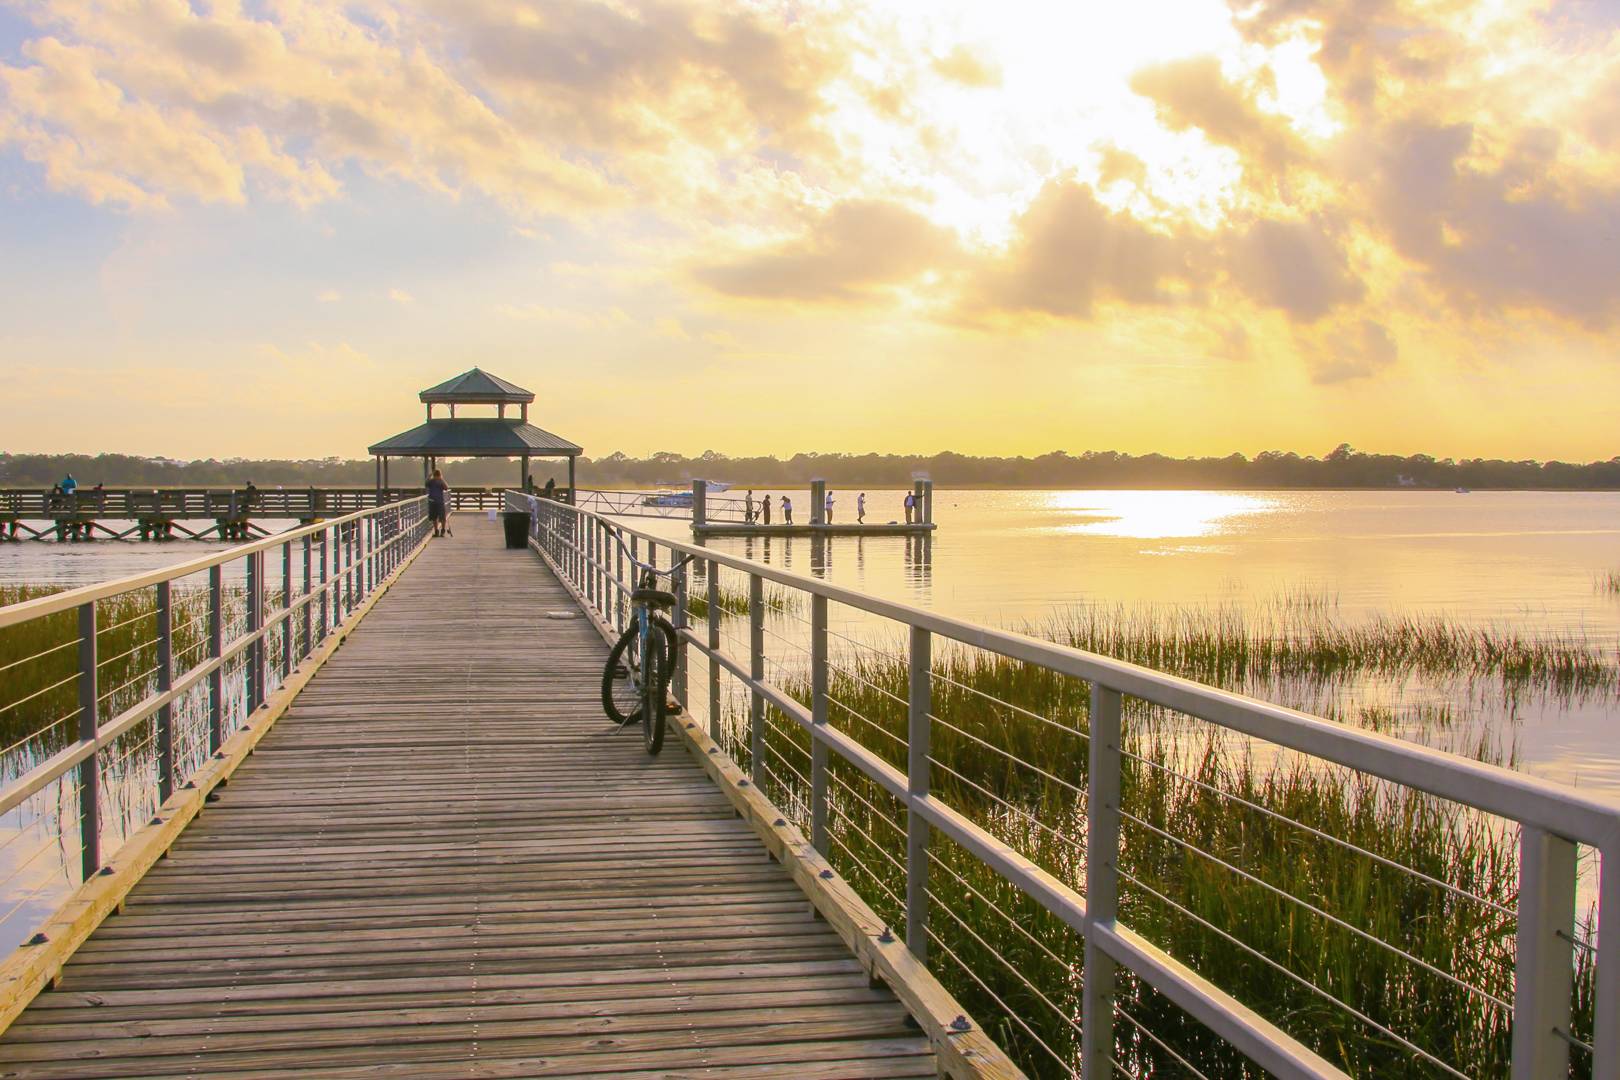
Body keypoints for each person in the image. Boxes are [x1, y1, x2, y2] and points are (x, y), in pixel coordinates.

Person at [426, 468, 450, 537]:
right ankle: (442, 530)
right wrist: (442, 479)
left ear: (434, 475)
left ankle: (437, 531)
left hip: (433, 501)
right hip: (439, 501)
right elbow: (446, 487)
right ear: (440, 475)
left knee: (434, 517)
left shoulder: (431, 481)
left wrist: (429, 476)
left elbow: (426, 484)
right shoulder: (439, 481)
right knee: (442, 517)